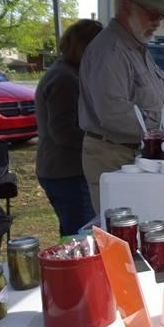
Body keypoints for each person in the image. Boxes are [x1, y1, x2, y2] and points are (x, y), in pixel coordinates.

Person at [79, 0, 164, 211]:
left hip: (138, 154)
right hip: (113, 156)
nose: (157, 22)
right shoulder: (111, 51)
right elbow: (113, 113)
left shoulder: (138, 47)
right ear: (128, 6)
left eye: (161, 16)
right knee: (122, 231)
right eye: (153, 14)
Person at [35, 19, 104, 236]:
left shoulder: (71, 73)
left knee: (75, 233)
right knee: (81, 236)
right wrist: (101, 142)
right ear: (85, 47)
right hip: (66, 172)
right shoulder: (64, 79)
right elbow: (63, 131)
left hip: (67, 170)